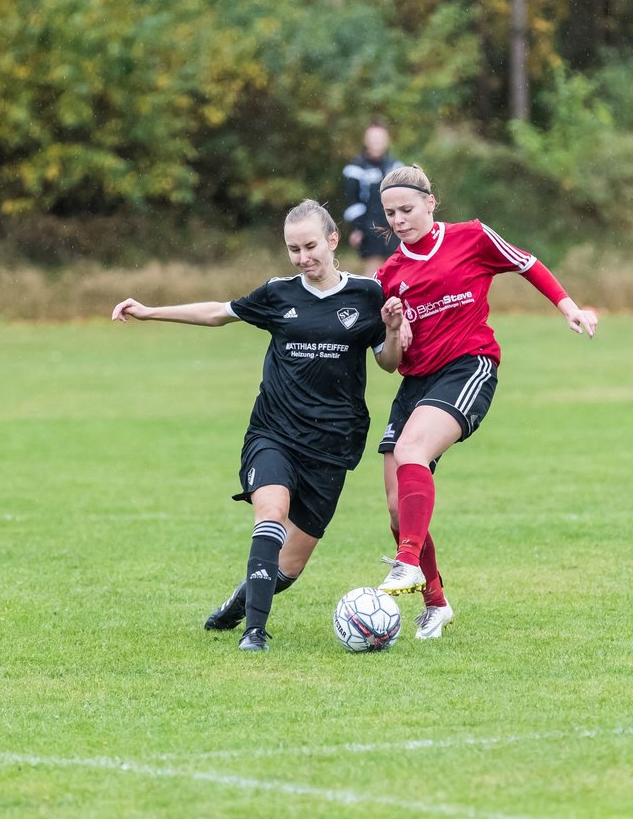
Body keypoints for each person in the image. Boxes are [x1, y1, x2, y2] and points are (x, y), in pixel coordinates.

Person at [111, 200, 406, 652]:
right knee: (270, 513)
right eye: (293, 249)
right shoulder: (278, 293)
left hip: (332, 444)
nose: (303, 258)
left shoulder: (367, 294)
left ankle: (238, 603)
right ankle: (254, 633)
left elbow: (389, 364)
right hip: (274, 432)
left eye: (310, 246)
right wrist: (150, 311)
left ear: (332, 241)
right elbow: (218, 313)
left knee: (289, 567)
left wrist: (389, 331)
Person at [372, 165, 598, 638]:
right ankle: (435, 603)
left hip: (468, 367)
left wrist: (568, 306)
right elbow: (390, 363)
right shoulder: (389, 274)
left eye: (407, 209)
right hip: (415, 385)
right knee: (397, 509)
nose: (399, 219)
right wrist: (393, 328)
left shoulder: (472, 237)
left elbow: (527, 263)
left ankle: (407, 563)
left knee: (412, 453)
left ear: (430, 204)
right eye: (390, 213)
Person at [343, 123, 404, 278]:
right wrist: (357, 228)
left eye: (380, 138)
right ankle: (371, 300)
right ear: (366, 140)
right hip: (369, 226)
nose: (376, 142)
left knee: (396, 266)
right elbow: (352, 201)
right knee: (374, 270)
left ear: (387, 140)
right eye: (373, 138)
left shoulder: (395, 166)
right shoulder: (355, 167)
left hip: (393, 224)